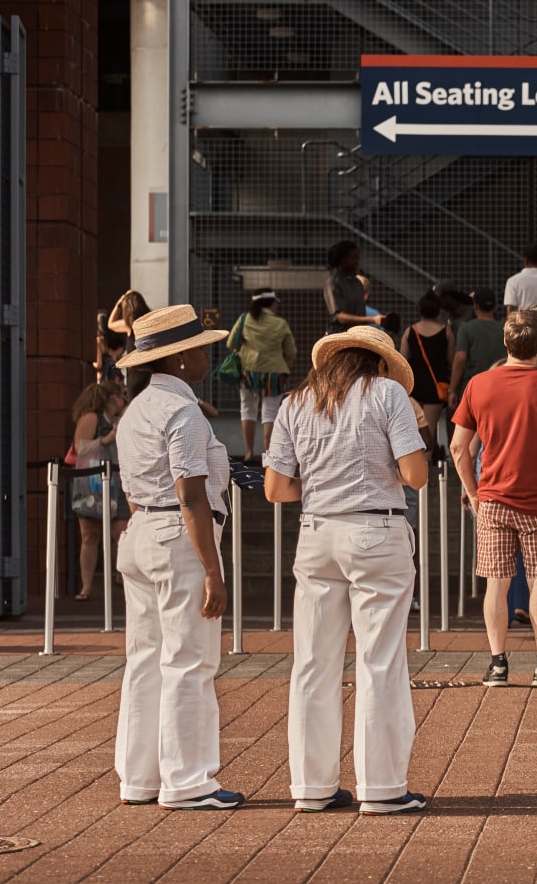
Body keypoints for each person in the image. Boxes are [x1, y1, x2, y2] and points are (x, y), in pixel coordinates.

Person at [264, 326, 429, 816]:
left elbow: (276, 488)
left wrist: (323, 487)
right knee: (379, 661)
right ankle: (382, 789)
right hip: (376, 532)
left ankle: (311, 787)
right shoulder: (387, 394)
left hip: (317, 533)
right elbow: (416, 475)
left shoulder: (296, 402)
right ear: (378, 362)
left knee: (313, 665)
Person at [112, 304, 242, 811]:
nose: (208, 354)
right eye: (201, 347)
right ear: (182, 357)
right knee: (190, 660)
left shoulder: (136, 410)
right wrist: (213, 569)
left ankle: (139, 777)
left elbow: (135, 490)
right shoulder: (182, 412)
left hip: (142, 529)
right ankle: (188, 780)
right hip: (179, 534)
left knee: (145, 660)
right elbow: (191, 496)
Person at [450, 309, 537, 688]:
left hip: (493, 500)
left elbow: (459, 448)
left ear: (506, 342)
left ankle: (498, 664)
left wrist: (474, 494)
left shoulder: (478, 386)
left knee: (497, 583)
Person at [68, 382, 131, 601]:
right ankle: (86, 587)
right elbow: (80, 447)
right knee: (90, 534)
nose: (124, 400)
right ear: (111, 398)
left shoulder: (121, 419)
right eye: (121, 396)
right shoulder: (92, 418)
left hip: (117, 481)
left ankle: (122, 579)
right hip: (92, 482)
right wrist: (106, 439)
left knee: (121, 532)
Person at [227, 288, 296, 463]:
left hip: (248, 372)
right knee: (270, 414)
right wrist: (285, 367)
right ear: (271, 304)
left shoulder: (244, 319)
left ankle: (249, 452)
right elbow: (290, 351)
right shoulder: (280, 323)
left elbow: (230, 343)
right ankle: (269, 455)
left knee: (248, 411)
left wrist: (244, 354)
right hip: (274, 374)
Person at [400, 291, 455, 436]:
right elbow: (451, 360)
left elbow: (402, 360)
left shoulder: (410, 331)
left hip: (414, 387)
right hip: (436, 387)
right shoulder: (446, 332)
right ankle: (427, 459)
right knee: (428, 434)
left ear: (420, 310)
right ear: (438, 310)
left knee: (413, 432)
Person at [451, 288, 506, 405]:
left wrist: (452, 390)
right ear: (495, 306)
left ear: (475, 306)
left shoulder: (466, 329)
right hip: (500, 386)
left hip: (473, 387)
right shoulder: (505, 329)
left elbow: (460, 358)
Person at [324, 241, 385, 333]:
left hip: (358, 335)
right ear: (342, 260)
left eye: (358, 258)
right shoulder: (334, 283)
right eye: (353, 258)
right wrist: (372, 319)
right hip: (340, 335)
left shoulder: (357, 283)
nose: (357, 262)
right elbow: (341, 317)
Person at [94, 313, 126, 384]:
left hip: (104, 380)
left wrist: (91, 363)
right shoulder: (118, 344)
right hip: (117, 379)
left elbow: (99, 365)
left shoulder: (99, 342)